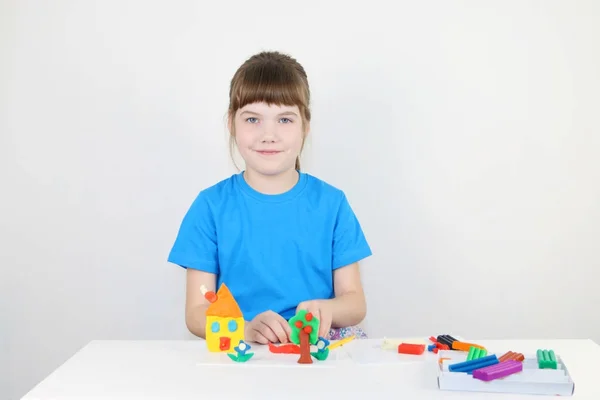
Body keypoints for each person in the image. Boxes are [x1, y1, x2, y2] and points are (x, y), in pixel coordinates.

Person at [168, 51, 372, 344]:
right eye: (252, 119)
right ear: (231, 124)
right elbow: (197, 312)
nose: (269, 134)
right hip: (241, 350)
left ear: (305, 125)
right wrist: (246, 328)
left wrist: (326, 309)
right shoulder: (210, 207)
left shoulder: (333, 204)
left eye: (285, 120)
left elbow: (354, 303)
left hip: (314, 350)